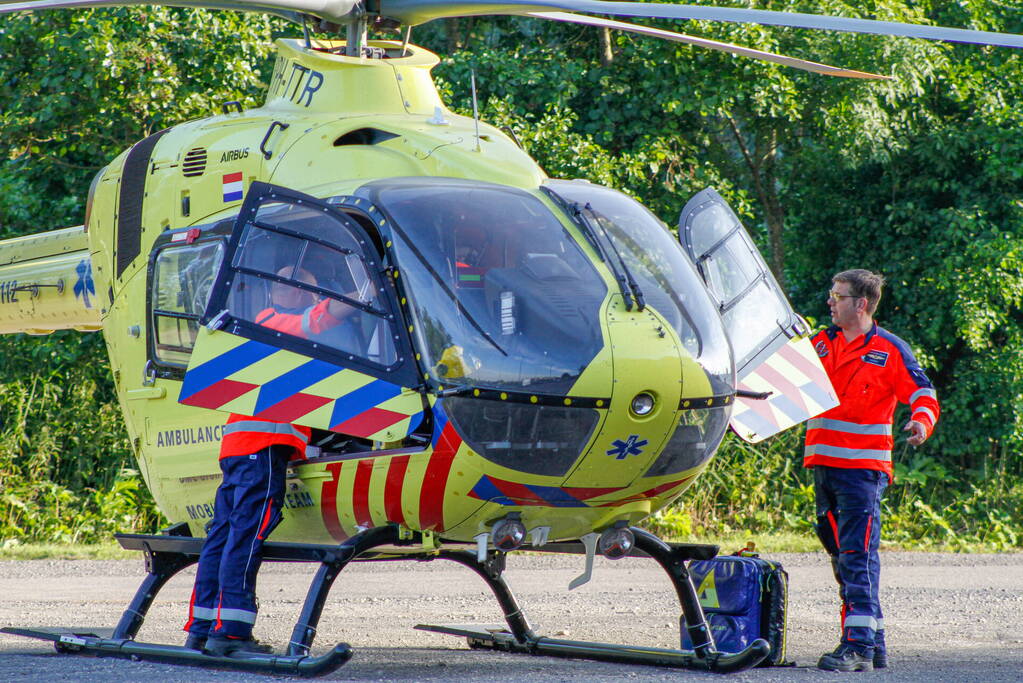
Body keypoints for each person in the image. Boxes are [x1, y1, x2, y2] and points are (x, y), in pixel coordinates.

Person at [184, 265, 356, 656]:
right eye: (311, 291)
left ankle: (202, 629)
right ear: (294, 293)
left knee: (223, 536)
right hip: (260, 451)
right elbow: (321, 318)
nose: (315, 299)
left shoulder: (268, 332)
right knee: (246, 536)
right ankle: (231, 635)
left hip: (241, 449)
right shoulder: (273, 323)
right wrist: (363, 295)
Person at [806, 269, 940, 672]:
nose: (830, 301)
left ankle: (858, 647)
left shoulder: (889, 348)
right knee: (842, 555)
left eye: (838, 296)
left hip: (863, 470)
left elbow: (923, 393)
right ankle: (874, 642)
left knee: (857, 555)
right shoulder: (820, 342)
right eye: (832, 294)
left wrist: (921, 423)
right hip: (823, 465)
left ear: (861, 304)